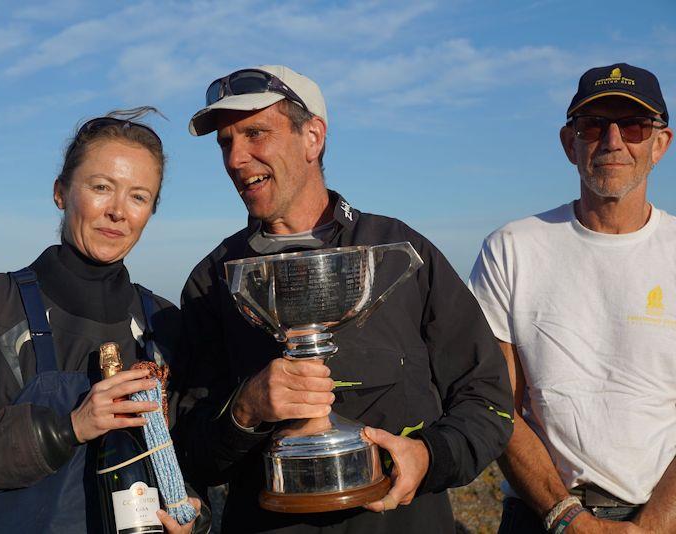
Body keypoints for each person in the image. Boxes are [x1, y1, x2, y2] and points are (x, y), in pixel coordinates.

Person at [173, 65, 514, 533]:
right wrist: (244, 410)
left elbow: (487, 397)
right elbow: (190, 453)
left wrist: (429, 457)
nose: (236, 158)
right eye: (225, 143)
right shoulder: (213, 281)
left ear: (312, 136)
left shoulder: (401, 255)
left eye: (255, 133)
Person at [0, 108, 205, 534]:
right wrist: (68, 429)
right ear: (61, 192)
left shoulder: (165, 324)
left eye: (138, 196)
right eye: (100, 187)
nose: (118, 211)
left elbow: (192, 459)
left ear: (151, 211)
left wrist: (192, 512)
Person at [468, 63, 675, 533]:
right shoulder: (512, 248)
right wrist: (568, 518)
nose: (613, 141)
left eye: (635, 126)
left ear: (661, 144)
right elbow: (497, 402)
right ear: (570, 143)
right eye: (594, 125)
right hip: (542, 513)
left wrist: (654, 525)